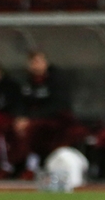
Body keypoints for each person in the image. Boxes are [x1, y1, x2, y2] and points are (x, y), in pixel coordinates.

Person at [12, 50, 76, 178]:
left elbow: (59, 105)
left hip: (53, 119)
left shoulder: (57, 80)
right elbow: (20, 102)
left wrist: (31, 119)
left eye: (39, 62)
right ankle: (15, 165)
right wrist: (20, 117)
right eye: (33, 62)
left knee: (33, 129)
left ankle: (31, 166)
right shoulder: (25, 81)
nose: (36, 65)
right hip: (31, 118)